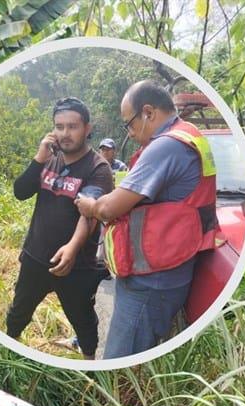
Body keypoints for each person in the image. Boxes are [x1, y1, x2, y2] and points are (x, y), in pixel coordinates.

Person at [75, 80, 220, 359]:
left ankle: (116, 402)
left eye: (129, 124)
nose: (129, 132)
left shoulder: (165, 147)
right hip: (171, 268)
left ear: (149, 113)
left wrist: (90, 205)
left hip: (150, 282)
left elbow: (109, 209)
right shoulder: (190, 134)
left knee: (121, 361)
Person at [6, 97, 113, 359]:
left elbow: (88, 213)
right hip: (35, 256)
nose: (65, 134)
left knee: (84, 322)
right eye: (59, 127)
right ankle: (8, 352)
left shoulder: (98, 168)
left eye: (72, 127)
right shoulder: (49, 160)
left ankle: (90, 366)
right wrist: (39, 157)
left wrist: (73, 247)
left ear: (87, 128)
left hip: (76, 265)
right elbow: (20, 192)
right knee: (18, 314)